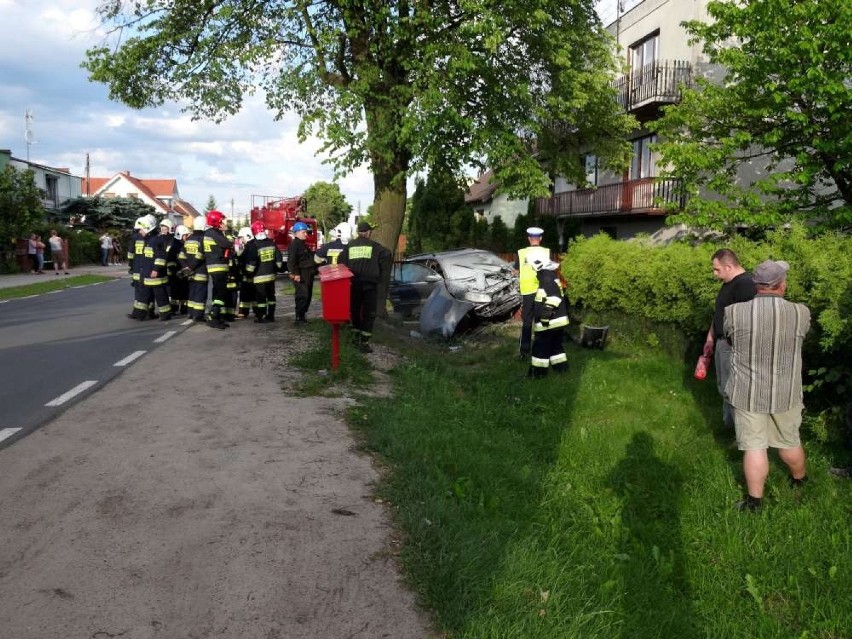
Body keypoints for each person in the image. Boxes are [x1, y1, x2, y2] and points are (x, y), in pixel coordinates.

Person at [724, 259, 810, 511]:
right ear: (781, 285)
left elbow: (730, 339)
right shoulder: (801, 312)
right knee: (790, 440)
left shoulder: (734, 312)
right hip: (786, 391)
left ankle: (754, 502)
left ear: (756, 285)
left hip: (748, 392)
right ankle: (800, 480)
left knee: (754, 447)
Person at [703, 249, 756, 429]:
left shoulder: (746, 285)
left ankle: (741, 433)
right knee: (724, 386)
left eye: (717, 269)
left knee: (732, 388)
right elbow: (719, 313)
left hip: (732, 345)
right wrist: (710, 338)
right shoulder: (728, 282)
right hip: (720, 342)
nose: (714, 273)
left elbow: (749, 320)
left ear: (728, 266)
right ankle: (729, 426)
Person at [338, 221, 392, 353]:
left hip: (353, 284)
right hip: (369, 286)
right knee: (369, 313)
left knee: (354, 311)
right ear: (368, 232)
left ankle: (355, 338)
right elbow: (387, 254)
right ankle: (364, 342)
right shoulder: (375, 247)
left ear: (358, 233)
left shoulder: (349, 247)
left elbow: (340, 262)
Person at [526, 256, 569, 379]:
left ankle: (537, 374)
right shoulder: (549, 276)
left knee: (540, 347)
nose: (532, 269)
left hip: (549, 322)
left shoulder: (546, 278)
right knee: (555, 346)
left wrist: (544, 317)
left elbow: (554, 298)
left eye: (532, 267)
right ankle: (561, 369)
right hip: (556, 321)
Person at [514, 227, 550, 358]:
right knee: (541, 320)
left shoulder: (521, 252)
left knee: (527, 322)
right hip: (542, 290)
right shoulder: (546, 252)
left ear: (529, 238)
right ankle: (541, 349)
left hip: (527, 291)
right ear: (540, 238)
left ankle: (524, 351)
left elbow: (516, 272)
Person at [245, 221, 282, 323]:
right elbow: (279, 260)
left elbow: (252, 263)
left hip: (259, 277)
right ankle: (271, 316)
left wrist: (248, 273)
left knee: (261, 298)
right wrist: (276, 269)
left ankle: (261, 317)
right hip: (271, 277)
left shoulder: (254, 245)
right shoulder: (271, 242)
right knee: (271, 297)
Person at [203, 210, 233, 329]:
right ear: (217, 223)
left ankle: (217, 317)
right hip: (218, 267)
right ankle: (213, 316)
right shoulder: (214, 233)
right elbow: (227, 244)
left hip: (216, 266)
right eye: (222, 222)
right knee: (220, 292)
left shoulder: (210, 232)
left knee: (218, 292)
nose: (224, 224)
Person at [287, 221, 317, 324]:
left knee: (307, 295)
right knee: (302, 295)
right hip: (301, 274)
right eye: (304, 232)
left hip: (308, 274)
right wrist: (295, 274)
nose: (306, 234)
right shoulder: (295, 245)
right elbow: (291, 261)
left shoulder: (302, 244)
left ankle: (302, 316)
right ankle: (299, 318)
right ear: (298, 232)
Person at [180, 216, 208, 321]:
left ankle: (190, 313)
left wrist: (186, 267)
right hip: (201, 272)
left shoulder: (189, 239)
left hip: (189, 273)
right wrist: (191, 267)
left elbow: (181, 256)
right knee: (200, 295)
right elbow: (200, 256)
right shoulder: (203, 239)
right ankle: (198, 315)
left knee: (192, 293)